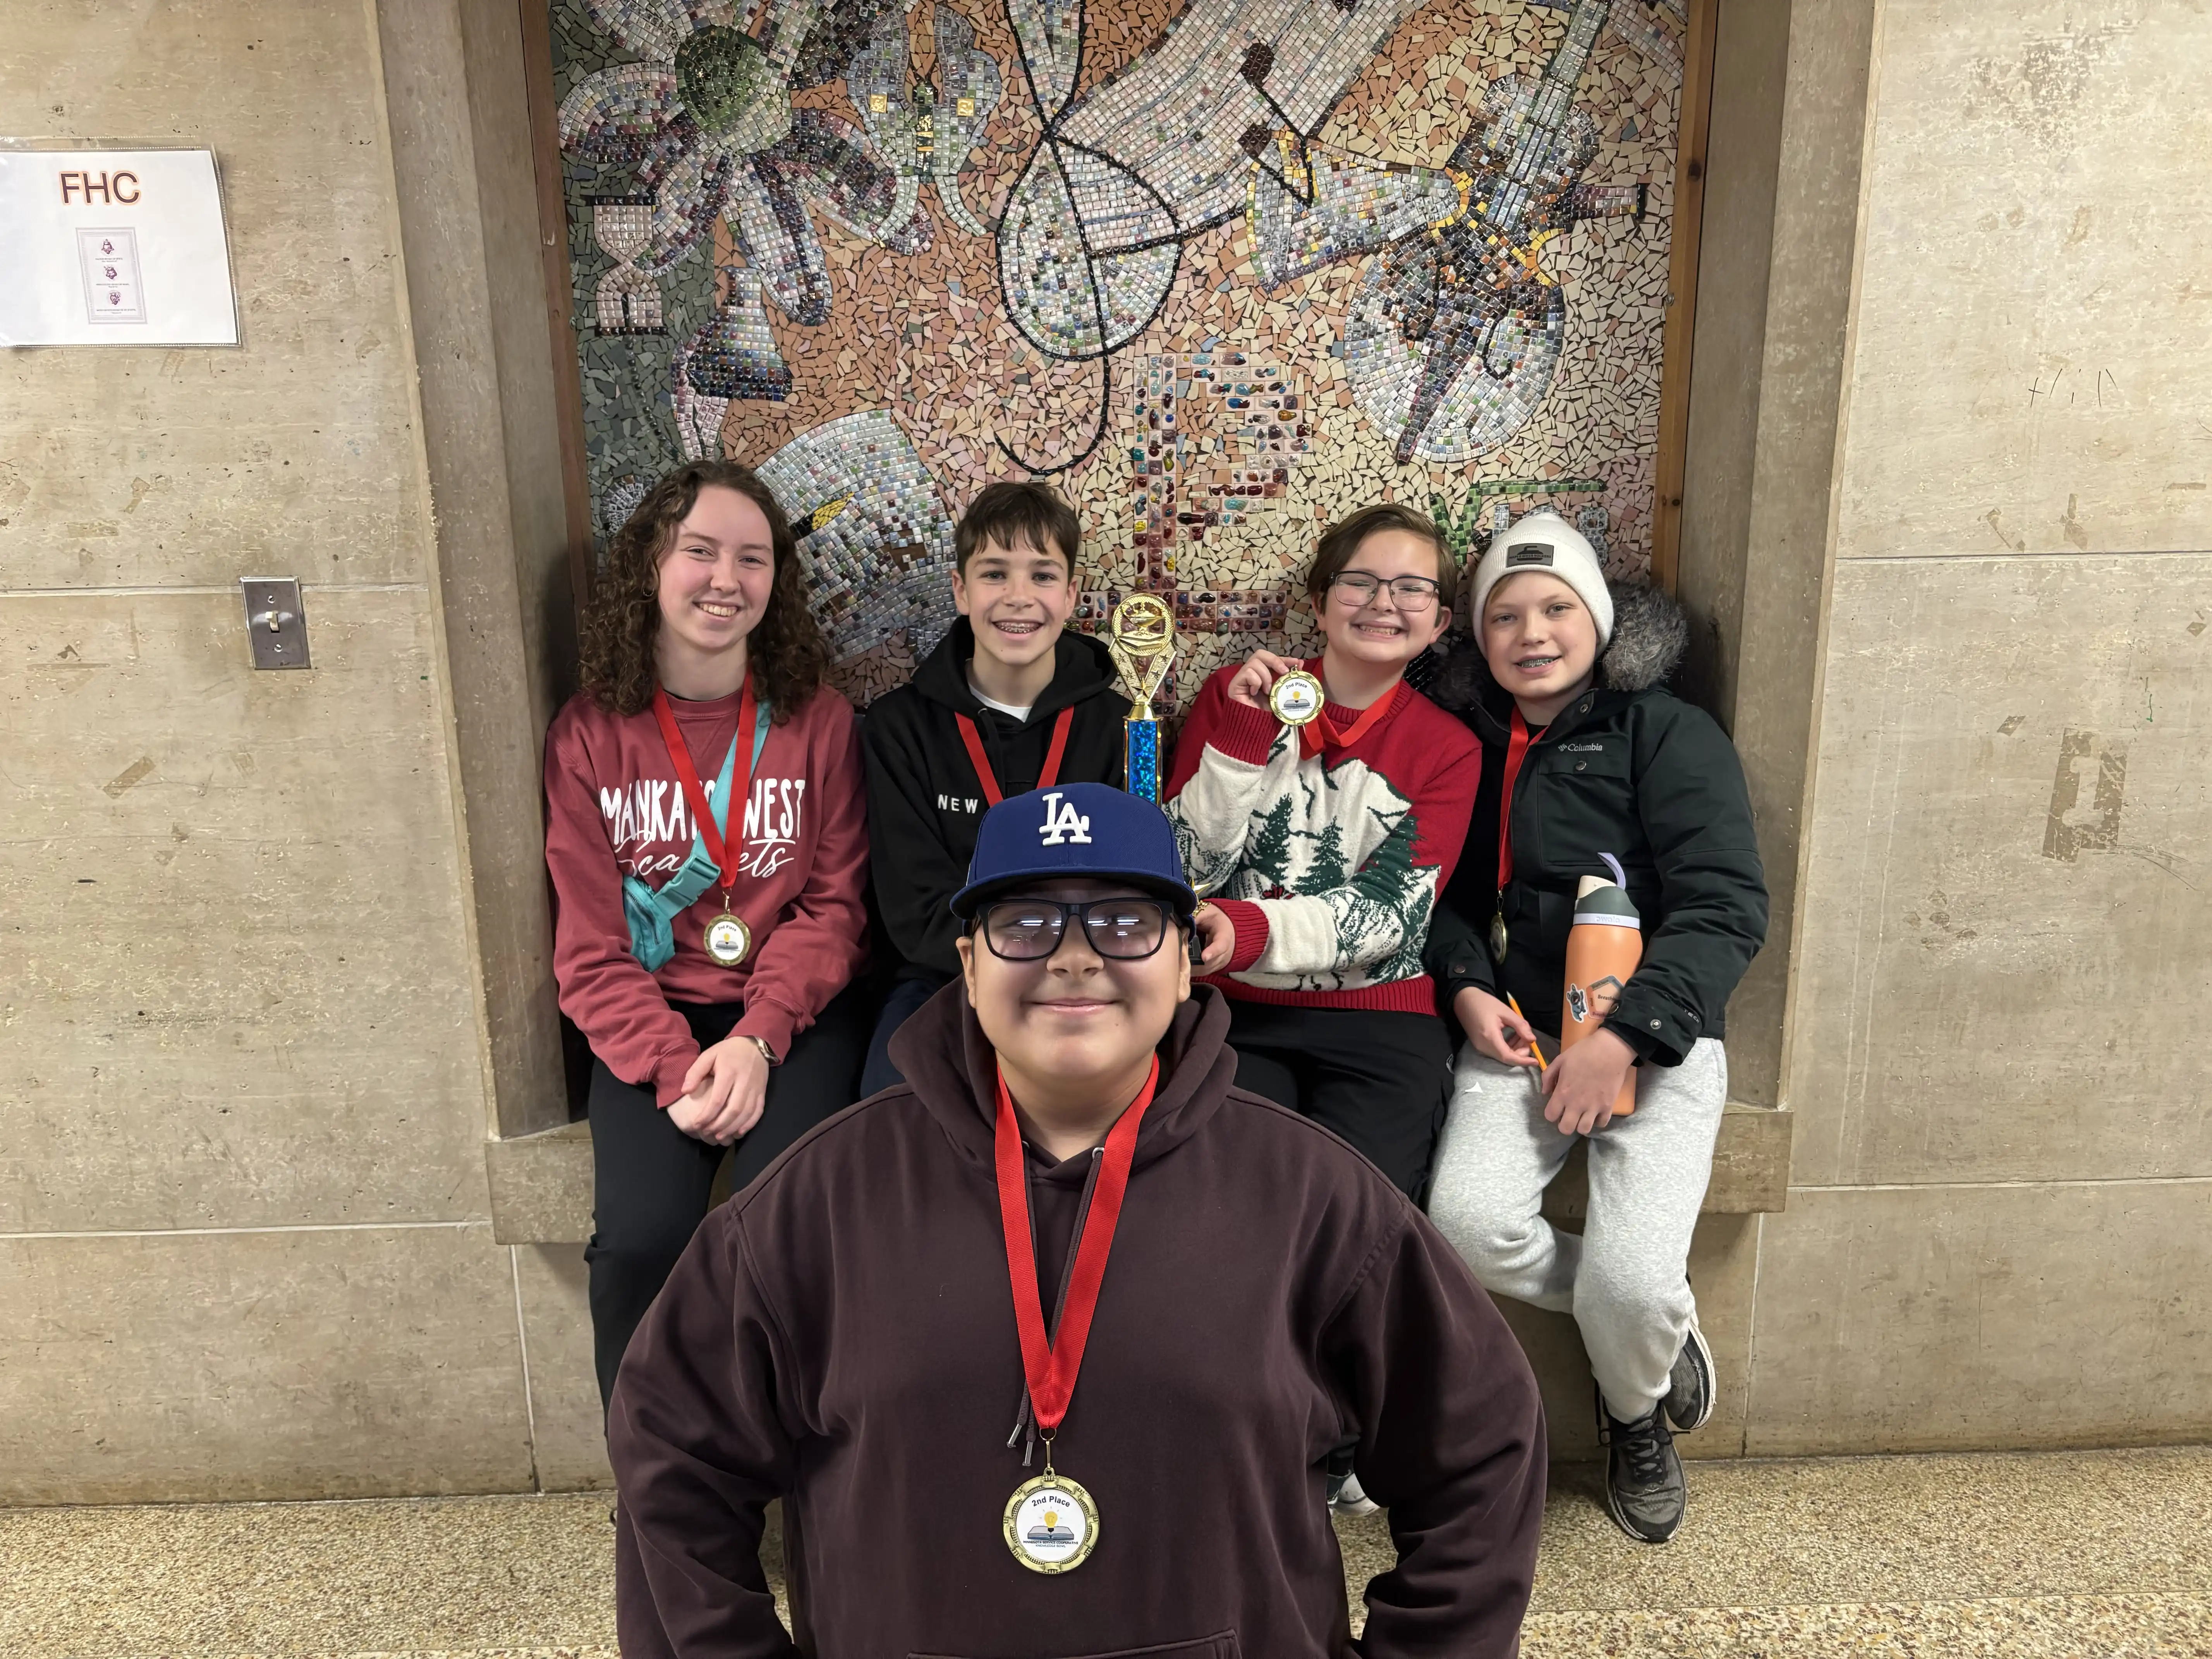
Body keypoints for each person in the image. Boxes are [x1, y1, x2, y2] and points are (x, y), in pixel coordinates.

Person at [606, 783, 1547, 1658]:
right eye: (1025, 922)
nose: (1074, 954)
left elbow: (1482, 1447)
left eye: (1125, 921)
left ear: (1186, 961)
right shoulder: (817, 1202)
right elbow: (670, 1458)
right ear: (969, 967)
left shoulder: (1316, 1199)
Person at [1419, 508, 1768, 1545]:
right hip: (1520, 1034)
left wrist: (1623, 1036)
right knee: (1465, 1227)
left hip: (1657, 1041)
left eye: (1557, 607)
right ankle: (1657, 1332)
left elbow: (1725, 903)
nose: (1533, 631)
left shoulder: (1665, 731)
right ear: (1479, 636)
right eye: (1506, 614)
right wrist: (1465, 984)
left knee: (1629, 1274)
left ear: (1599, 618)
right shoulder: (1463, 743)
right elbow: (1432, 891)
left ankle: (1634, 1412)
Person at [543, 459, 871, 1411]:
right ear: (652, 563)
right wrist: (672, 1065)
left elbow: (834, 909)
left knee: (787, 1229)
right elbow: (589, 948)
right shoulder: (590, 735)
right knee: (641, 1242)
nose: (727, 580)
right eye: (700, 552)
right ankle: (660, 1491)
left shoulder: (819, 723)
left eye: (754, 559)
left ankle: (798, 1469)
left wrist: (760, 1038)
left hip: (795, 1019)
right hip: (652, 1023)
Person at [1162, 503, 1480, 1199]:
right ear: (1320, 601)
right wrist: (1243, 738)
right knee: (1233, 1203)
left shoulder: (1451, 751)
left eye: (1412, 589)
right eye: (1358, 581)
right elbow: (1186, 872)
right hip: (1234, 1008)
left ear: (1440, 621)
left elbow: (1389, 917)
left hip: (1381, 1019)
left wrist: (1248, 928)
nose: (1382, 603)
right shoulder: (1234, 696)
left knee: (1361, 1217)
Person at [859, 481, 1127, 1096]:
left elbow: (1124, 888)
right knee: (888, 1112)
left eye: (1041, 575)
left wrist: (1066, 961)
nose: (1018, 598)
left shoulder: (1120, 725)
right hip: (942, 975)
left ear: (1070, 596)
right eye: (994, 573)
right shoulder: (900, 728)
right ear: (960, 590)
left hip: (1082, 976)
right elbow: (915, 910)